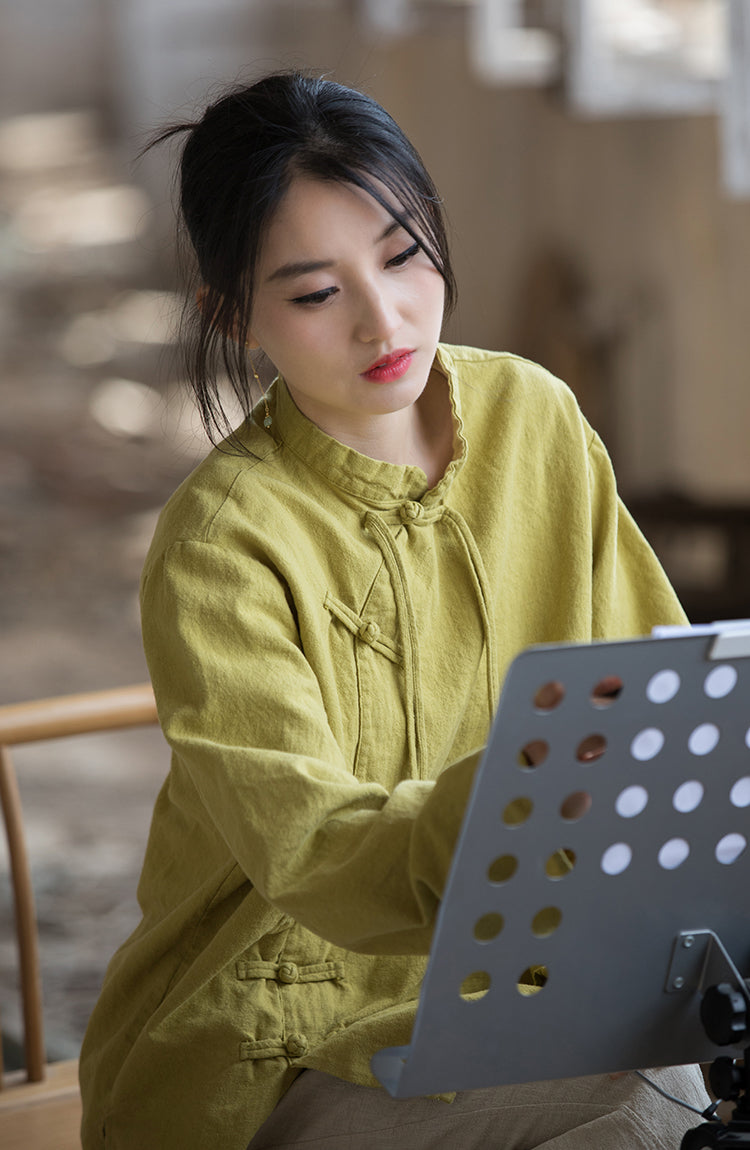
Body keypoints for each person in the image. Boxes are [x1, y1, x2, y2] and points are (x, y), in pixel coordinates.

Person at [79, 71, 710, 1149]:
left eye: (407, 255)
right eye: (317, 293)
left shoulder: (534, 416)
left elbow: (665, 692)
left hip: (531, 988)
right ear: (232, 316)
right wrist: (537, 784)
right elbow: (314, 853)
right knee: (646, 1113)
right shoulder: (220, 545)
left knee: (687, 1080)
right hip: (275, 1041)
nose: (385, 318)